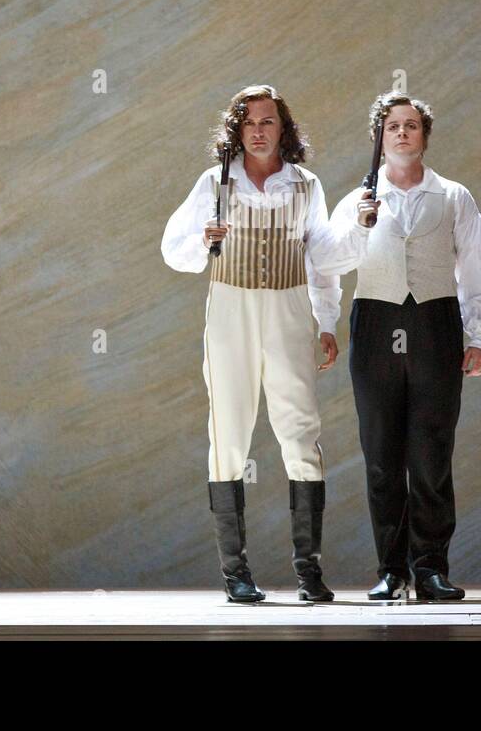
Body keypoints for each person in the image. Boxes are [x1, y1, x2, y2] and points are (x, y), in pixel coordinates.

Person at [161, 85, 358, 603]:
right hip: (231, 307)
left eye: (267, 121)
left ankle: (308, 570)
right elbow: (174, 251)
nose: (258, 130)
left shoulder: (305, 185)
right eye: (248, 122)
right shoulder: (215, 182)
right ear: (236, 129)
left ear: (282, 128)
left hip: (290, 308)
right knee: (228, 431)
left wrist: (327, 322)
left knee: (300, 430)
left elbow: (321, 259)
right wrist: (204, 240)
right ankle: (235, 572)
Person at [329, 91, 481, 602]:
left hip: (434, 321)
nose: (402, 132)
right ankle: (390, 570)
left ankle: (429, 567)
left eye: (411, 125)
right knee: (381, 454)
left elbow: (477, 265)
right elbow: (330, 262)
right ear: (379, 139)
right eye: (391, 126)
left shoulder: (453, 196)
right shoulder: (357, 199)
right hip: (377, 322)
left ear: (424, 134)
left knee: (430, 452)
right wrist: (359, 225)